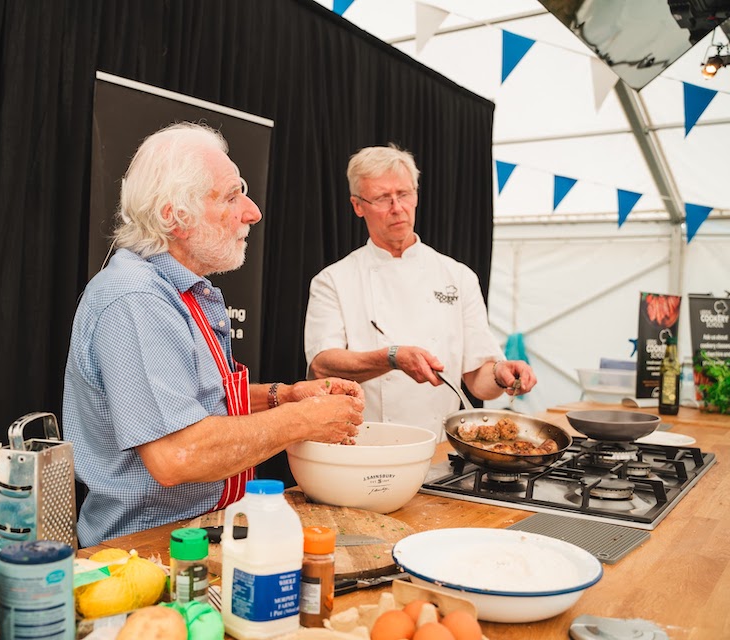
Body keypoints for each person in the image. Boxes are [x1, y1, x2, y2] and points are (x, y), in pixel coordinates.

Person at [63, 122, 365, 547]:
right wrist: (303, 421)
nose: (253, 211)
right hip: (150, 550)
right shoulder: (135, 299)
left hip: (199, 532)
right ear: (173, 216)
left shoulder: (175, 289)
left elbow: (190, 403)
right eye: (231, 196)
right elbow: (177, 454)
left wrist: (284, 396)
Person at [303, 144, 535, 439]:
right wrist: (392, 357)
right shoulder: (333, 280)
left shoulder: (458, 277)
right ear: (358, 206)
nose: (397, 207)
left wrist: (501, 374)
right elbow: (322, 366)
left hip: (439, 446)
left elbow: (478, 380)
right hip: (366, 445)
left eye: (404, 194)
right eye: (382, 198)